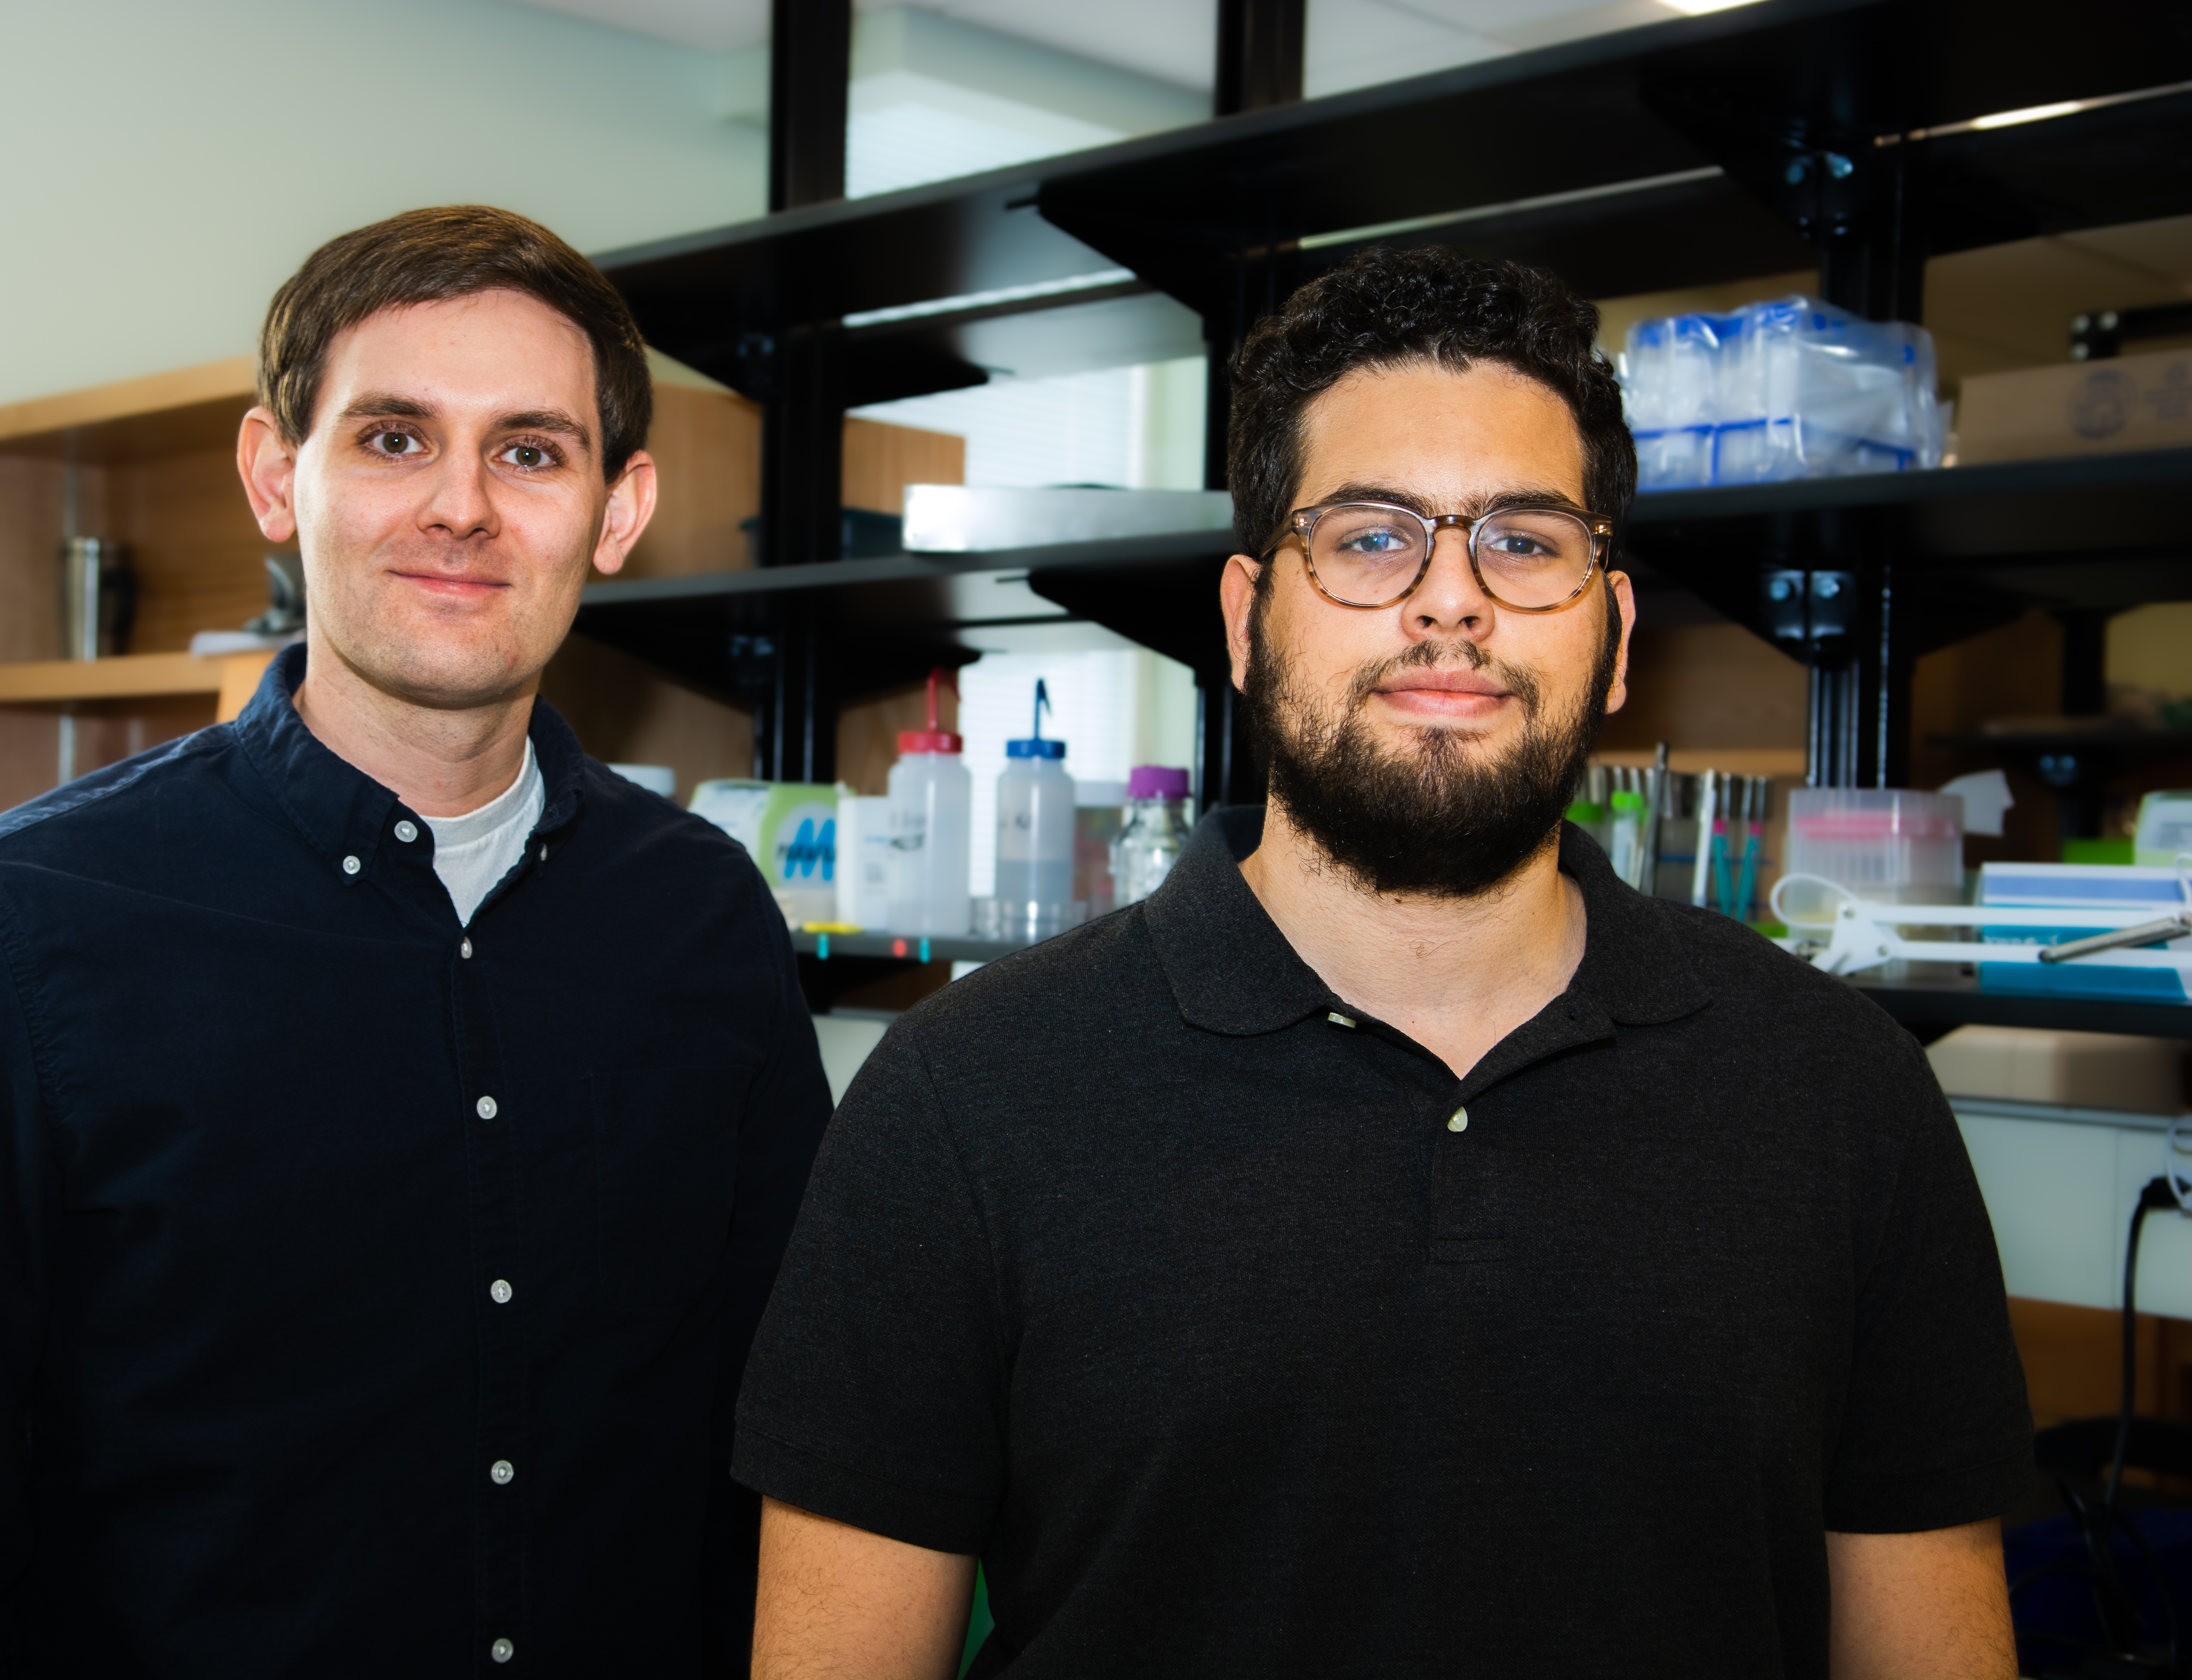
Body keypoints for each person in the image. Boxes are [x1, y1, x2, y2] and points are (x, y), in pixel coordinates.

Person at [733, 245, 2032, 1679]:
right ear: (1245, 620)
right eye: (1368, 537)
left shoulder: (1843, 1097)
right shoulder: (961, 1100)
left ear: (1613, 641)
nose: (1451, 600)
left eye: (1527, 541)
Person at [0, 205, 832, 1677]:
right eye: (395, 438)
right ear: (277, 478)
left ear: (617, 509)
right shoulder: (18, 923)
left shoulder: (705, 915)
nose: (464, 507)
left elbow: (777, 1405)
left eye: (531, 451)